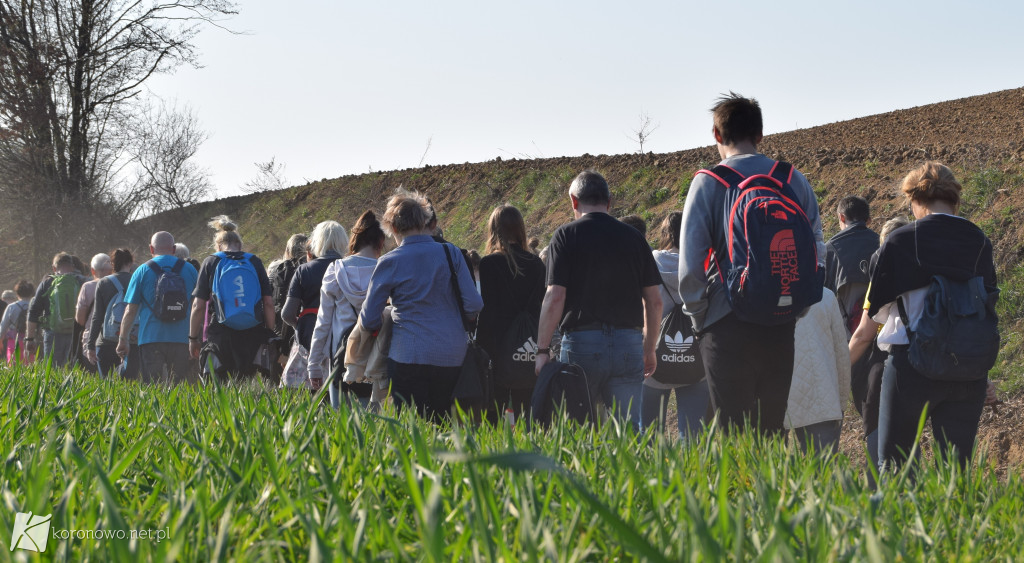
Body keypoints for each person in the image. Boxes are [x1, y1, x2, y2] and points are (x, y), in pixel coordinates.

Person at [678, 92, 825, 434]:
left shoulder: (708, 183)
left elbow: (690, 266)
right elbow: (818, 247)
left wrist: (701, 316)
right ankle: (769, 489)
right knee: (770, 431)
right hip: (780, 320)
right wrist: (796, 303)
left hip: (725, 322)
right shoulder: (792, 179)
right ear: (760, 134)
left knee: (731, 433)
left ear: (717, 135)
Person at [850, 162, 996, 470]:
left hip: (911, 366)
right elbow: (984, 309)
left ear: (914, 200)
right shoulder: (979, 241)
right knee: (954, 473)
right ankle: (954, 519)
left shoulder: (901, 240)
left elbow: (868, 328)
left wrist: (840, 367)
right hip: (968, 369)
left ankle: (904, 520)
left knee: (896, 468)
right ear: (955, 199)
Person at [535, 171, 662, 428]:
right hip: (629, 343)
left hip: (582, 343)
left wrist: (542, 350)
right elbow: (654, 301)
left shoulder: (564, 236)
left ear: (573, 201)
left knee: (578, 427)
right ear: (609, 201)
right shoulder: (634, 237)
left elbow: (555, 296)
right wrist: (649, 348)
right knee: (629, 429)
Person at [360, 189, 483, 420]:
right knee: (446, 424)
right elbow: (474, 304)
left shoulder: (389, 261)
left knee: (412, 427)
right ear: (425, 220)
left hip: (408, 354)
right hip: (452, 354)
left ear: (393, 228)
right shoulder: (451, 253)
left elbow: (368, 319)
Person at [641, 211, 711, 439]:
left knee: (648, 434)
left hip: (651, 359)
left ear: (664, 234)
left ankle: (647, 475)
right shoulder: (703, 265)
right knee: (693, 436)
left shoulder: (649, 262)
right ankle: (692, 474)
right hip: (696, 360)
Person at [307, 210, 385, 407]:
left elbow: (323, 323)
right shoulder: (385, 269)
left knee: (340, 425)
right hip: (374, 356)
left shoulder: (336, 270)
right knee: (374, 424)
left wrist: (314, 365)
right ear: (380, 242)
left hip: (340, 357)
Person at [476, 205, 546, 418]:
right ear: (520, 229)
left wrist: (481, 348)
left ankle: (496, 452)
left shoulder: (489, 263)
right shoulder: (536, 264)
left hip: (497, 349)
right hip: (528, 347)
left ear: (494, 229)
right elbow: (539, 309)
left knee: (493, 414)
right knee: (526, 414)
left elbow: (488, 312)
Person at [189, 216, 276, 380]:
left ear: (218, 246)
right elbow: (268, 303)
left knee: (219, 390)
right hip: (253, 334)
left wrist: (193, 338)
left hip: (221, 335)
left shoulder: (211, 261)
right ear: (240, 244)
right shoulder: (254, 261)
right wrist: (269, 335)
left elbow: (198, 306)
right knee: (248, 391)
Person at [117, 231, 199, 384]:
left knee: (152, 388)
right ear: (173, 249)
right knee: (179, 389)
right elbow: (198, 307)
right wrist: (195, 338)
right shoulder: (190, 270)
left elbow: (130, 310)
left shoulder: (141, 271)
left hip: (150, 338)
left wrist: (123, 339)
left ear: (151, 249)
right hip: (182, 338)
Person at [785, 287, 851, 454]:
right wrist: (841, 403)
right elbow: (841, 355)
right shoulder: (824, 295)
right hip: (820, 394)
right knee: (823, 472)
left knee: (767, 472)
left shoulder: (752, 294)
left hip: (768, 395)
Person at [283, 222, 349, 357]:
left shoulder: (304, 270)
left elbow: (287, 314)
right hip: (344, 334)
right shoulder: (348, 268)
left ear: (317, 242)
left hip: (310, 334)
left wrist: (301, 325)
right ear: (343, 241)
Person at [88, 249, 141, 379]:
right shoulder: (139, 280)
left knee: (106, 385)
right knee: (129, 386)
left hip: (106, 341)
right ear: (130, 263)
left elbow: (97, 317)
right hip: (133, 340)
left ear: (112, 264)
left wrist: (90, 345)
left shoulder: (104, 283)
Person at [26, 252, 84, 367]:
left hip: (52, 333)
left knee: (52, 370)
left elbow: (34, 312)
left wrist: (30, 338)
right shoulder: (82, 281)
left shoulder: (47, 283)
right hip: (76, 334)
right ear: (72, 267)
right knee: (73, 370)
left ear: (54, 268)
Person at [268, 233, 308, 380]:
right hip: (305, 330)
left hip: (280, 332)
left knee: (281, 380)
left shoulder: (278, 271)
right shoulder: (309, 269)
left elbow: (271, 303)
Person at [75, 253, 113, 372]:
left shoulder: (87, 287)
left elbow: (80, 319)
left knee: (93, 376)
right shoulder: (117, 285)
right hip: (114, 336)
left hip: (91, 339)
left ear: (92, 270)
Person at [1, 281, 35, 364]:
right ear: (32, 293)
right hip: (32, 341)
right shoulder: (35, 306)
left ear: (17, 293)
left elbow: (3, 326)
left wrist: (0, 340)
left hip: (14, 341)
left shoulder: (12, 307)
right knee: (30, 367)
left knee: (14, 366)